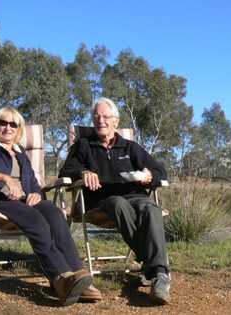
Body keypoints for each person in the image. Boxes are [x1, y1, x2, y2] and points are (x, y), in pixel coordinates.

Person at [0, 107, 102, 306]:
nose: (8, 127)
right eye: (3, 122)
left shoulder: (21, 154)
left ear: (19, 129)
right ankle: (60, 279)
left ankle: (78, 276)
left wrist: (37, 194)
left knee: (55, 213)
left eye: (14, 124)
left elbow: (34, 185)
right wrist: (4, 178)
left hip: (24, 201)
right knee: (36, 219)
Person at [59, 97, 171, 304]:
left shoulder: (130, 147)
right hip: (102, 201)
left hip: (135, 196)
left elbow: (160, 171)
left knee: (150, 208)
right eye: (96, 117)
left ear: (116, 121)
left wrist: (149, 177)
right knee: (118, 202)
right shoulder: (83, 145)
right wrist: (82, 172)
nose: (101, 121)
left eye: (106, 117)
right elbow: (65, 171)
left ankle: (158, 273)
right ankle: (157, 268)